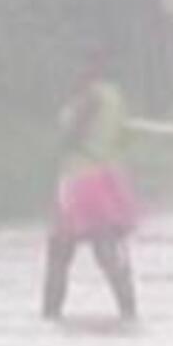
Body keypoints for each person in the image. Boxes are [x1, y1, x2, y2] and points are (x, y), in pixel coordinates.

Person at [42, 51, 140, 321]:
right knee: (109, 251)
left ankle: (50, 315)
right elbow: (123, 138)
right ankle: (129, 311)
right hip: (108, 178)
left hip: (81, 180)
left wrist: (63, 134)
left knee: (60, 253)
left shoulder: (89, 98)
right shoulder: (115, 96)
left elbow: (72, 135)